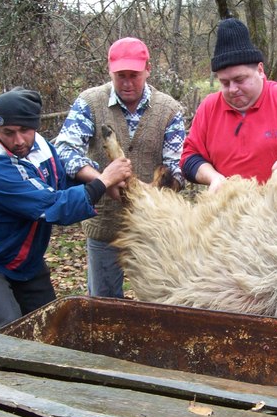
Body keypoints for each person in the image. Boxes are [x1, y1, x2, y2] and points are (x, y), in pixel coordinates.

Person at [0, 87, 132, 331]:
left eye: (24, 130)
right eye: (8, 133)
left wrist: (99, 182)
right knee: (12, 329)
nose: (18, 140)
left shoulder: (40, 147)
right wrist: (103, 181)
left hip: (22, 255)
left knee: (50, 325)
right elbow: (54, 205)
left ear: (35, 127)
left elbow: (60, 179)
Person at [54, 37, 185, 299]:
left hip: (156, 228)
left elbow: (176, 168)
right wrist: (103, 180)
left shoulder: (169, 109)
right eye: (120, 75)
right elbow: (64, 151)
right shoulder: (89, 102)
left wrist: (147, 193)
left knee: (160, 298)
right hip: (105, 225)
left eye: (134, 75)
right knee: (104, 301)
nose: (127, 83)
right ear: (109, 70)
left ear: (147, 69)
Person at [180, 18, 277, 194]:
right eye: (225, 83)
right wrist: (213, 177)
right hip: (230, 211)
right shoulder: (209, 108)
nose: (233, 89)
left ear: (260, 70)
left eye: (240, 80)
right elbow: (189, 157)